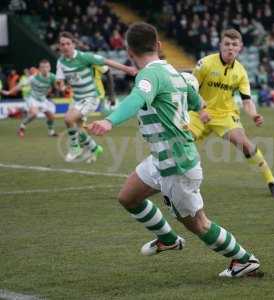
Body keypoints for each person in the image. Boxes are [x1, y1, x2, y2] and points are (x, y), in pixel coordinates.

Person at [88, 22, 262, 278]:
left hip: (178, 163)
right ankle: (168, 239)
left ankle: (244, 259)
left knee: (199, 224)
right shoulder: (174, 72)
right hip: (161, 158)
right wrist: (201, 110)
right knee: (128, 197)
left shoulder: (150, 76)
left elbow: (137, 99)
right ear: (158, 46)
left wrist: (108, 120)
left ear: (128, 51)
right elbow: (194, 96)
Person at [189, 29, 274, 197]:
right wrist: (200, 109)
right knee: (179, 143)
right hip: (198, 112)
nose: (230, 48)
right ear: (220, 45)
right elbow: (190, 90)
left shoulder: (241, 72)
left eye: (234, 45)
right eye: (227, 44)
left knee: (244, 143)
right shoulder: (205, 64)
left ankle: (271, 181)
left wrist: (254, 115)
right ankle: (164, 179)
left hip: (225, 114)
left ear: (240, 47)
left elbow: (247, 100)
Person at [56, 31, 136, 163]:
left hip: (91, 98)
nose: (65, 46)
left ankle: (75, 148)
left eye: (68, 44)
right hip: (77, 98)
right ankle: (94, 148)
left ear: (73, 45)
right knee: (79, 127)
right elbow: (60, 80)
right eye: (62, 44)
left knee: (68, 119)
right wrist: (61, 86)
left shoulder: (85, 57)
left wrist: (127, 69)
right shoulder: (61, 62)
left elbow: (107, 62)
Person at [2, 60, 59, 137]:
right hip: (32, 98)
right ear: (39, 68)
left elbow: (57, 87)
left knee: (51, 116)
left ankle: (51, 132)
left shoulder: (53, 77)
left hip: (43, 99)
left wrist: (61, 88)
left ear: (50, 68)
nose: (45, 69)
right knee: (34, 113)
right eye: (43, 67)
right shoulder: (33, 78)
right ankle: (22, 126)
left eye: (47, 67)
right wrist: (9, 92)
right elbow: (20, 85)